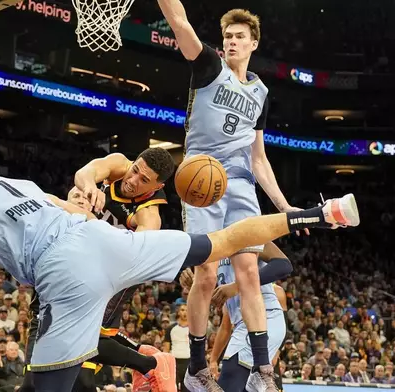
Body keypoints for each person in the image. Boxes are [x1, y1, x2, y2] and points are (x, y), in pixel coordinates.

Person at [0, 141, 359, 392]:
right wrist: (93, 200)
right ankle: (319, 214)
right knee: (226, 239)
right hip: (104, 241)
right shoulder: (19, 183)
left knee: (43, 387)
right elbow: (76, 194)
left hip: (69, 271)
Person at [156, 1, 300, 389]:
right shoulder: (208, 67)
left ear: (254, 42)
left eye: (239, 37)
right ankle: (198, 369)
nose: (232, 42)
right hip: (203, 179)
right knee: (205, 274)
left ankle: (263, 373)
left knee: (250, 272)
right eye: (227, 37)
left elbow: (259, 158)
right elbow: (179, 21)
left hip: (239, 183)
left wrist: (284, 205)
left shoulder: (260, 91)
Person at [25, 149, 179, 391]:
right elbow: (84, 173)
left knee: (86, 343)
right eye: (135, 170)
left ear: (158, 186)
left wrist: (86, 217)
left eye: (143, 180)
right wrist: (90, 188)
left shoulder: (149, 216)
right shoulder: (119, 164)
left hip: (115, 278)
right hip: (83, 265)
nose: (132, 180)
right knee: (80, 376)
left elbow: (128, 258)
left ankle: (150, 363)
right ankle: (145, 358)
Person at [199, 243, 291, 392]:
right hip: (243, 324)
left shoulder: (249, 233)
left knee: (228, 383)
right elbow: (226, 324)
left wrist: (237, 286)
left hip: (264, 318)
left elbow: (284, 265)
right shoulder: (217, 244)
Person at [163, 304, 190, 392]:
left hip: (189, 362)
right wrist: (165, 364)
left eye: (186, 310)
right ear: (178, 312)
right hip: (174, 362)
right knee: (172, 388)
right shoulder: (170, 328)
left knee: (187, 389)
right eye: (182, 310)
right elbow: (166, 348)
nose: (184, 312)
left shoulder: (194, 329)